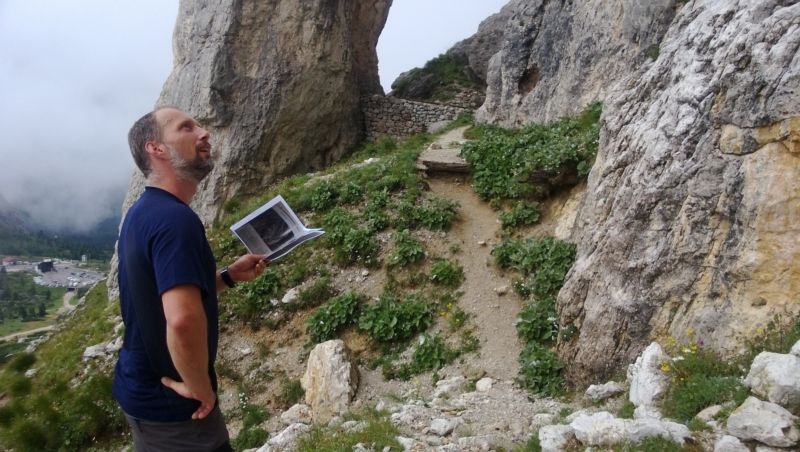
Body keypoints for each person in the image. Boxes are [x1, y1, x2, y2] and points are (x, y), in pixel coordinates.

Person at [113, 106, 267, 451]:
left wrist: (228, 276)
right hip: (177, 410)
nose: (204, 132)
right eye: (186, 127)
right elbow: (182, 319)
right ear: (156, 148)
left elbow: (155, 295)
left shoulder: (143, 212)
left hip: (141, 392)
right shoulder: (175, 221)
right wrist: (198, 386)